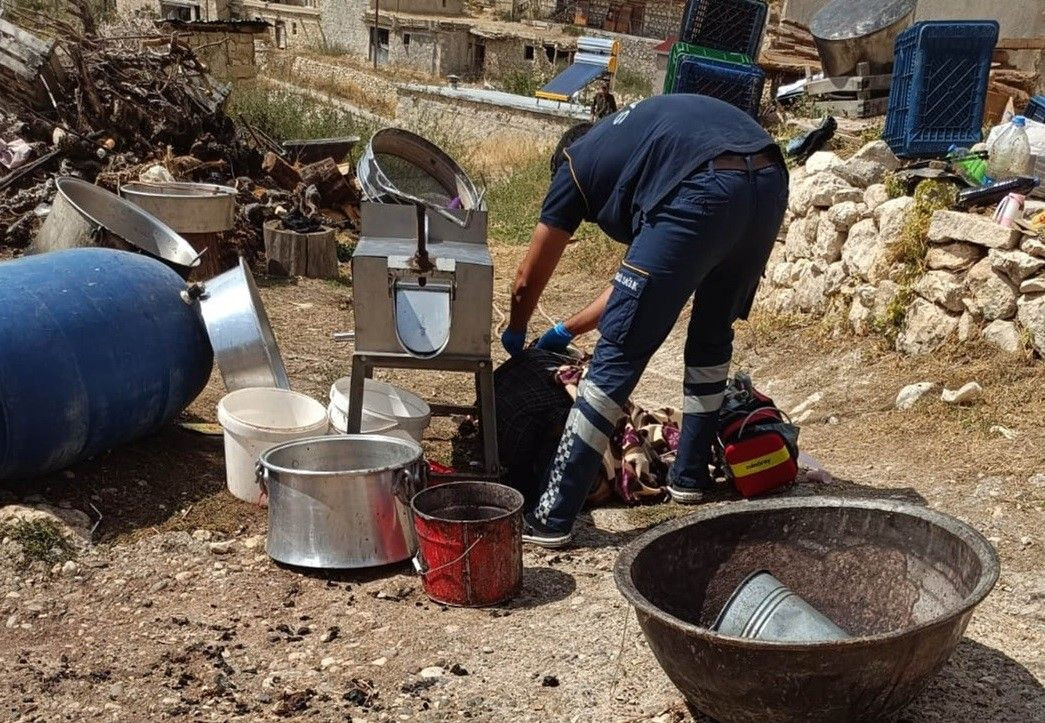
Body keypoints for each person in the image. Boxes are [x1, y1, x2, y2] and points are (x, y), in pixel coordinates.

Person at [501, 94, 789, 548]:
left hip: (704, 187)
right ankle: (690, 478)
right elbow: (632, 286)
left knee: (617, 355)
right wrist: (566, 330)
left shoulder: (574, 166)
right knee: (712, 339)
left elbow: (524, 281)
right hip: (768, 181)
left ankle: (553, 515)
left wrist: (516, 333)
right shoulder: (642, 143)